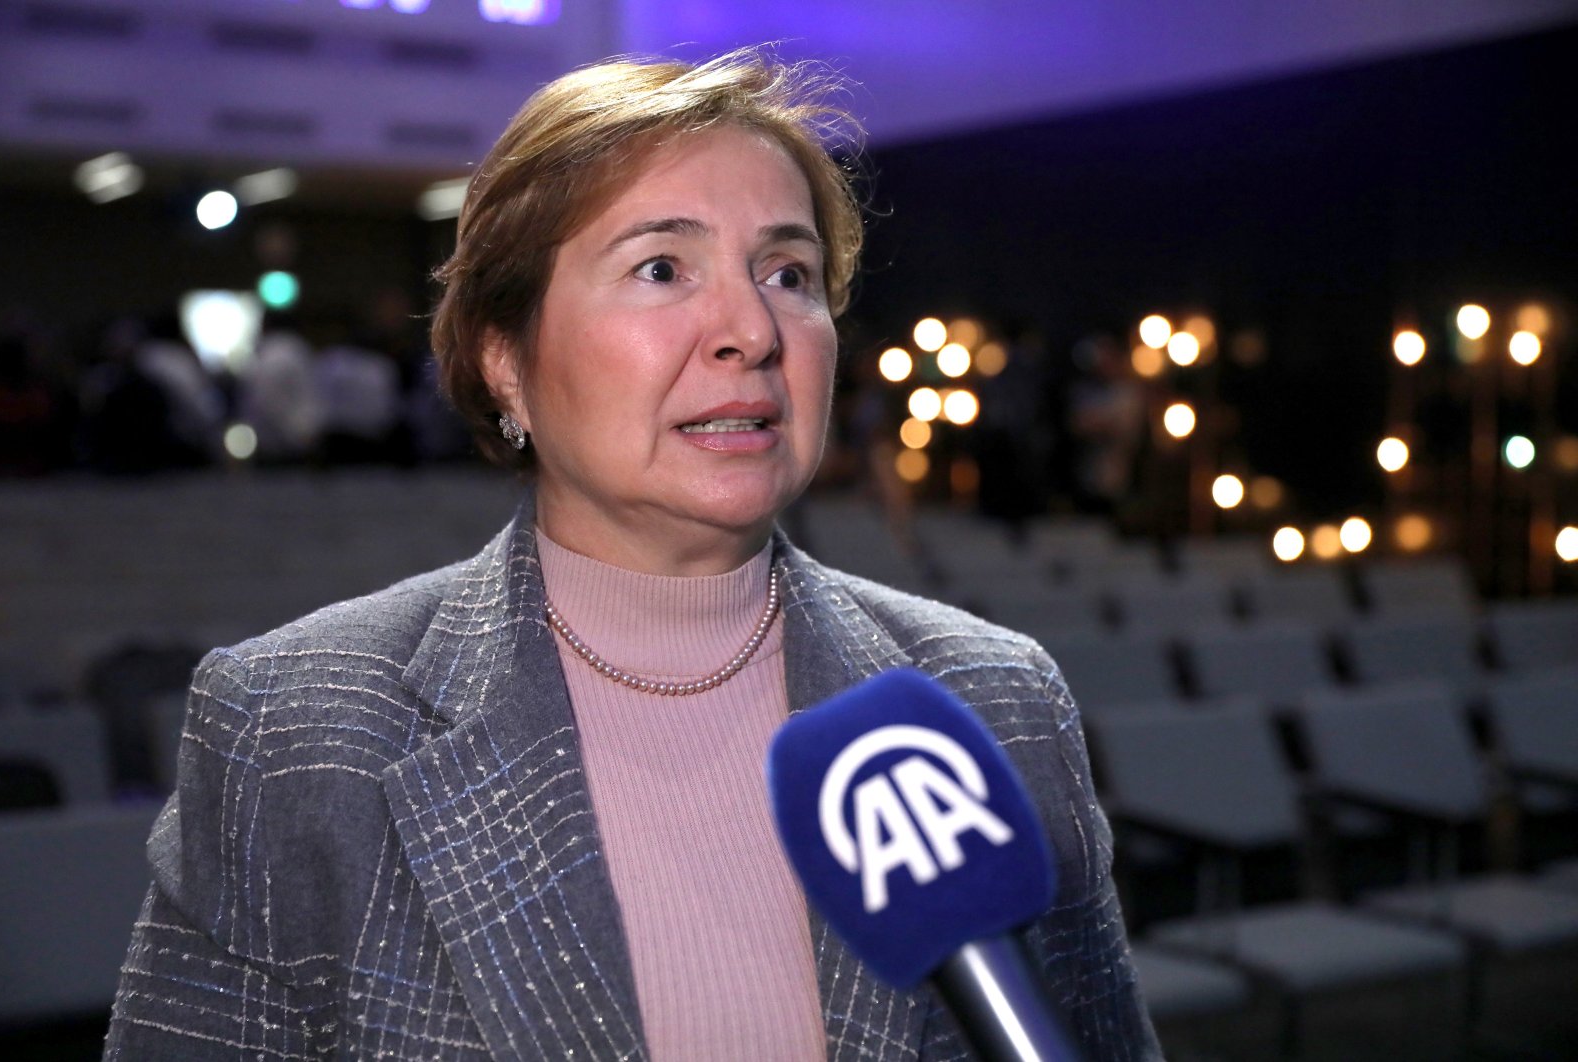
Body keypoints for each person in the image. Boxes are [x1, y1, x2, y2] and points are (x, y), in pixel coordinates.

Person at [105, 48, 1158, 1060]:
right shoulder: (290, 728)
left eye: (788, 272)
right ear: (505, 361)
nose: (751, 327)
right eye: (662, 267)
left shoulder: (996, 699)